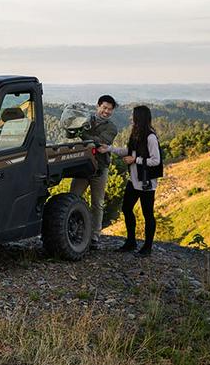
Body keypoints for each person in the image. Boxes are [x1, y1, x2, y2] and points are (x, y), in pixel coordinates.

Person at [98, 105, 161, 257]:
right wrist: (109, 149)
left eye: (133, 116)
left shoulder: (150, 137)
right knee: (126, 209)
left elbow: (156, 160)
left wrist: (136, 160)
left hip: (146, 182)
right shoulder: (136, 134)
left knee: (148, 214)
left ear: (139, 118)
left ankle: (147, 247)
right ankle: (131, 242)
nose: (131, 118)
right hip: (133, 181)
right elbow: (128, 151)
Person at [69, 95, 118, 250]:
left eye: (110, 109)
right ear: (98, 106)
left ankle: (95, 236)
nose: (106, 111)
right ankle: (71, 230)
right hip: (82, 166)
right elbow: (71, 130)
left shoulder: (112, 128)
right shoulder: (86, 119)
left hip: (100, 168)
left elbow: (100, 142)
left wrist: (82, 133)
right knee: (73, 198)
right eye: (104, 108)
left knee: (97, 204)